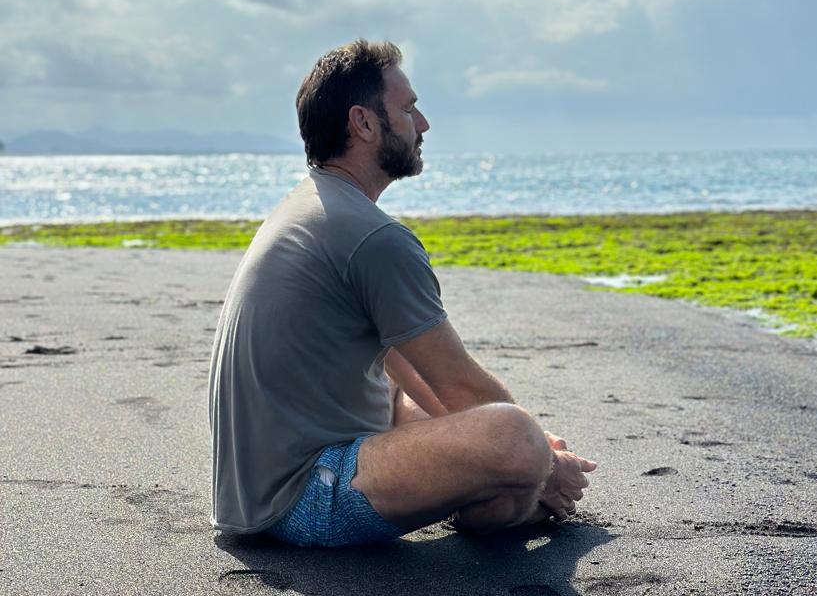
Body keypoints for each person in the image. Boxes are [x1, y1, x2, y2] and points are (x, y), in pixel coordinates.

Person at [208, 39, 597, 547]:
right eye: (409, 109)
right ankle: (517, 492)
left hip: (252, 491)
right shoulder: (372, 236)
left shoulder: (312, 207)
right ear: (364, 123)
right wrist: (546, 458)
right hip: (306, 493)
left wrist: (529, 456)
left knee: (422, 401)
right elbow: (460, 384)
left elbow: (405, 364)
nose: (424, 124)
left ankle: (504, 495)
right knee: (514, 435)